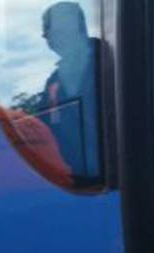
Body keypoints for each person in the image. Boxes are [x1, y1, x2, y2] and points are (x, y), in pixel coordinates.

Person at [39, 1, 106, 182]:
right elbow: (43, 132)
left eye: (56, 30)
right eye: (48, 34)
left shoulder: (111, 59)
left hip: (120, 180)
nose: (51, 38)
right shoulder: (52, 83)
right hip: (73, 184)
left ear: (79, 28)